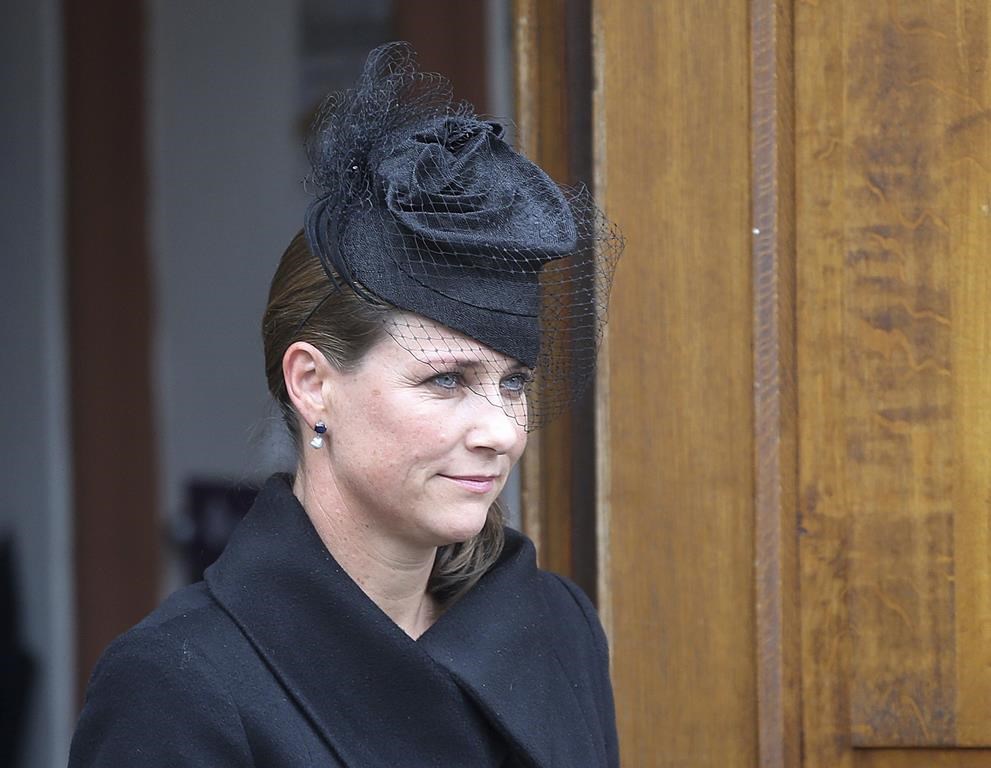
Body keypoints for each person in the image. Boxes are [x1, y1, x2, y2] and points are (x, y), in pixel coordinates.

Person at [68, 42, 624, 767]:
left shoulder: (554, 626)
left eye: (513, 381)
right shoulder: (177, 683)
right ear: (311, 384)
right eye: (446, 380)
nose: (502, 432)